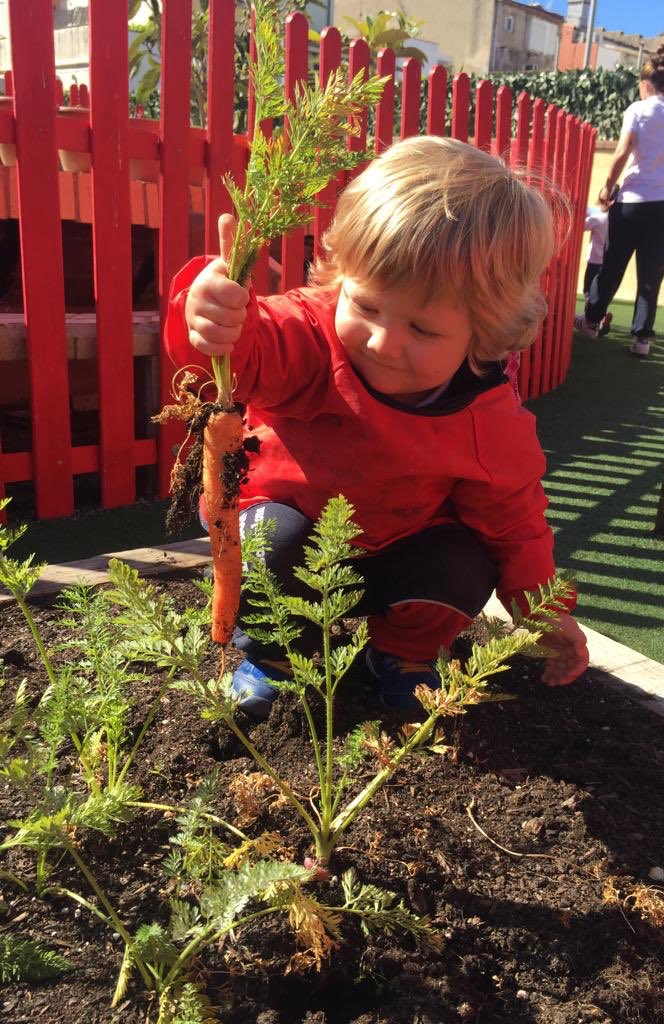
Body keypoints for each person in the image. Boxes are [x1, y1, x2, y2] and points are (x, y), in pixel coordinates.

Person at [165, 135, 589, 720]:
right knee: (269, 545)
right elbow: (251, 353)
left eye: (423, 329)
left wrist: (543, 612)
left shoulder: (489, 420)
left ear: (484, 334)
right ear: (342, 279)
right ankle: (275, 656)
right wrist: (216, 319)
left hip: (401, 547)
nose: (383, 342)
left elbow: (515, 522)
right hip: (299, 533)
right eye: (365, 306)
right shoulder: (311, 338)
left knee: (464, 563)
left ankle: (403, 656)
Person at [574, 45, 664, 357]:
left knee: (612, 264)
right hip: (662, 207)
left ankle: (591, 322)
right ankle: (642, 340)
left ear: (645, 83)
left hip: (633, 202)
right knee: (652, 273)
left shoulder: (639, 111)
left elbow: (622, 151)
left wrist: (606, 187)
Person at [582, 205, 612, 336]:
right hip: (608, 261)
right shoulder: (616, 219)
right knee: (601, 292)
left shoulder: (599, 218)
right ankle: (600, 318)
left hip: (594, 260)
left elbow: (581, 225)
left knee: (588, 291)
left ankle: (590, 323)